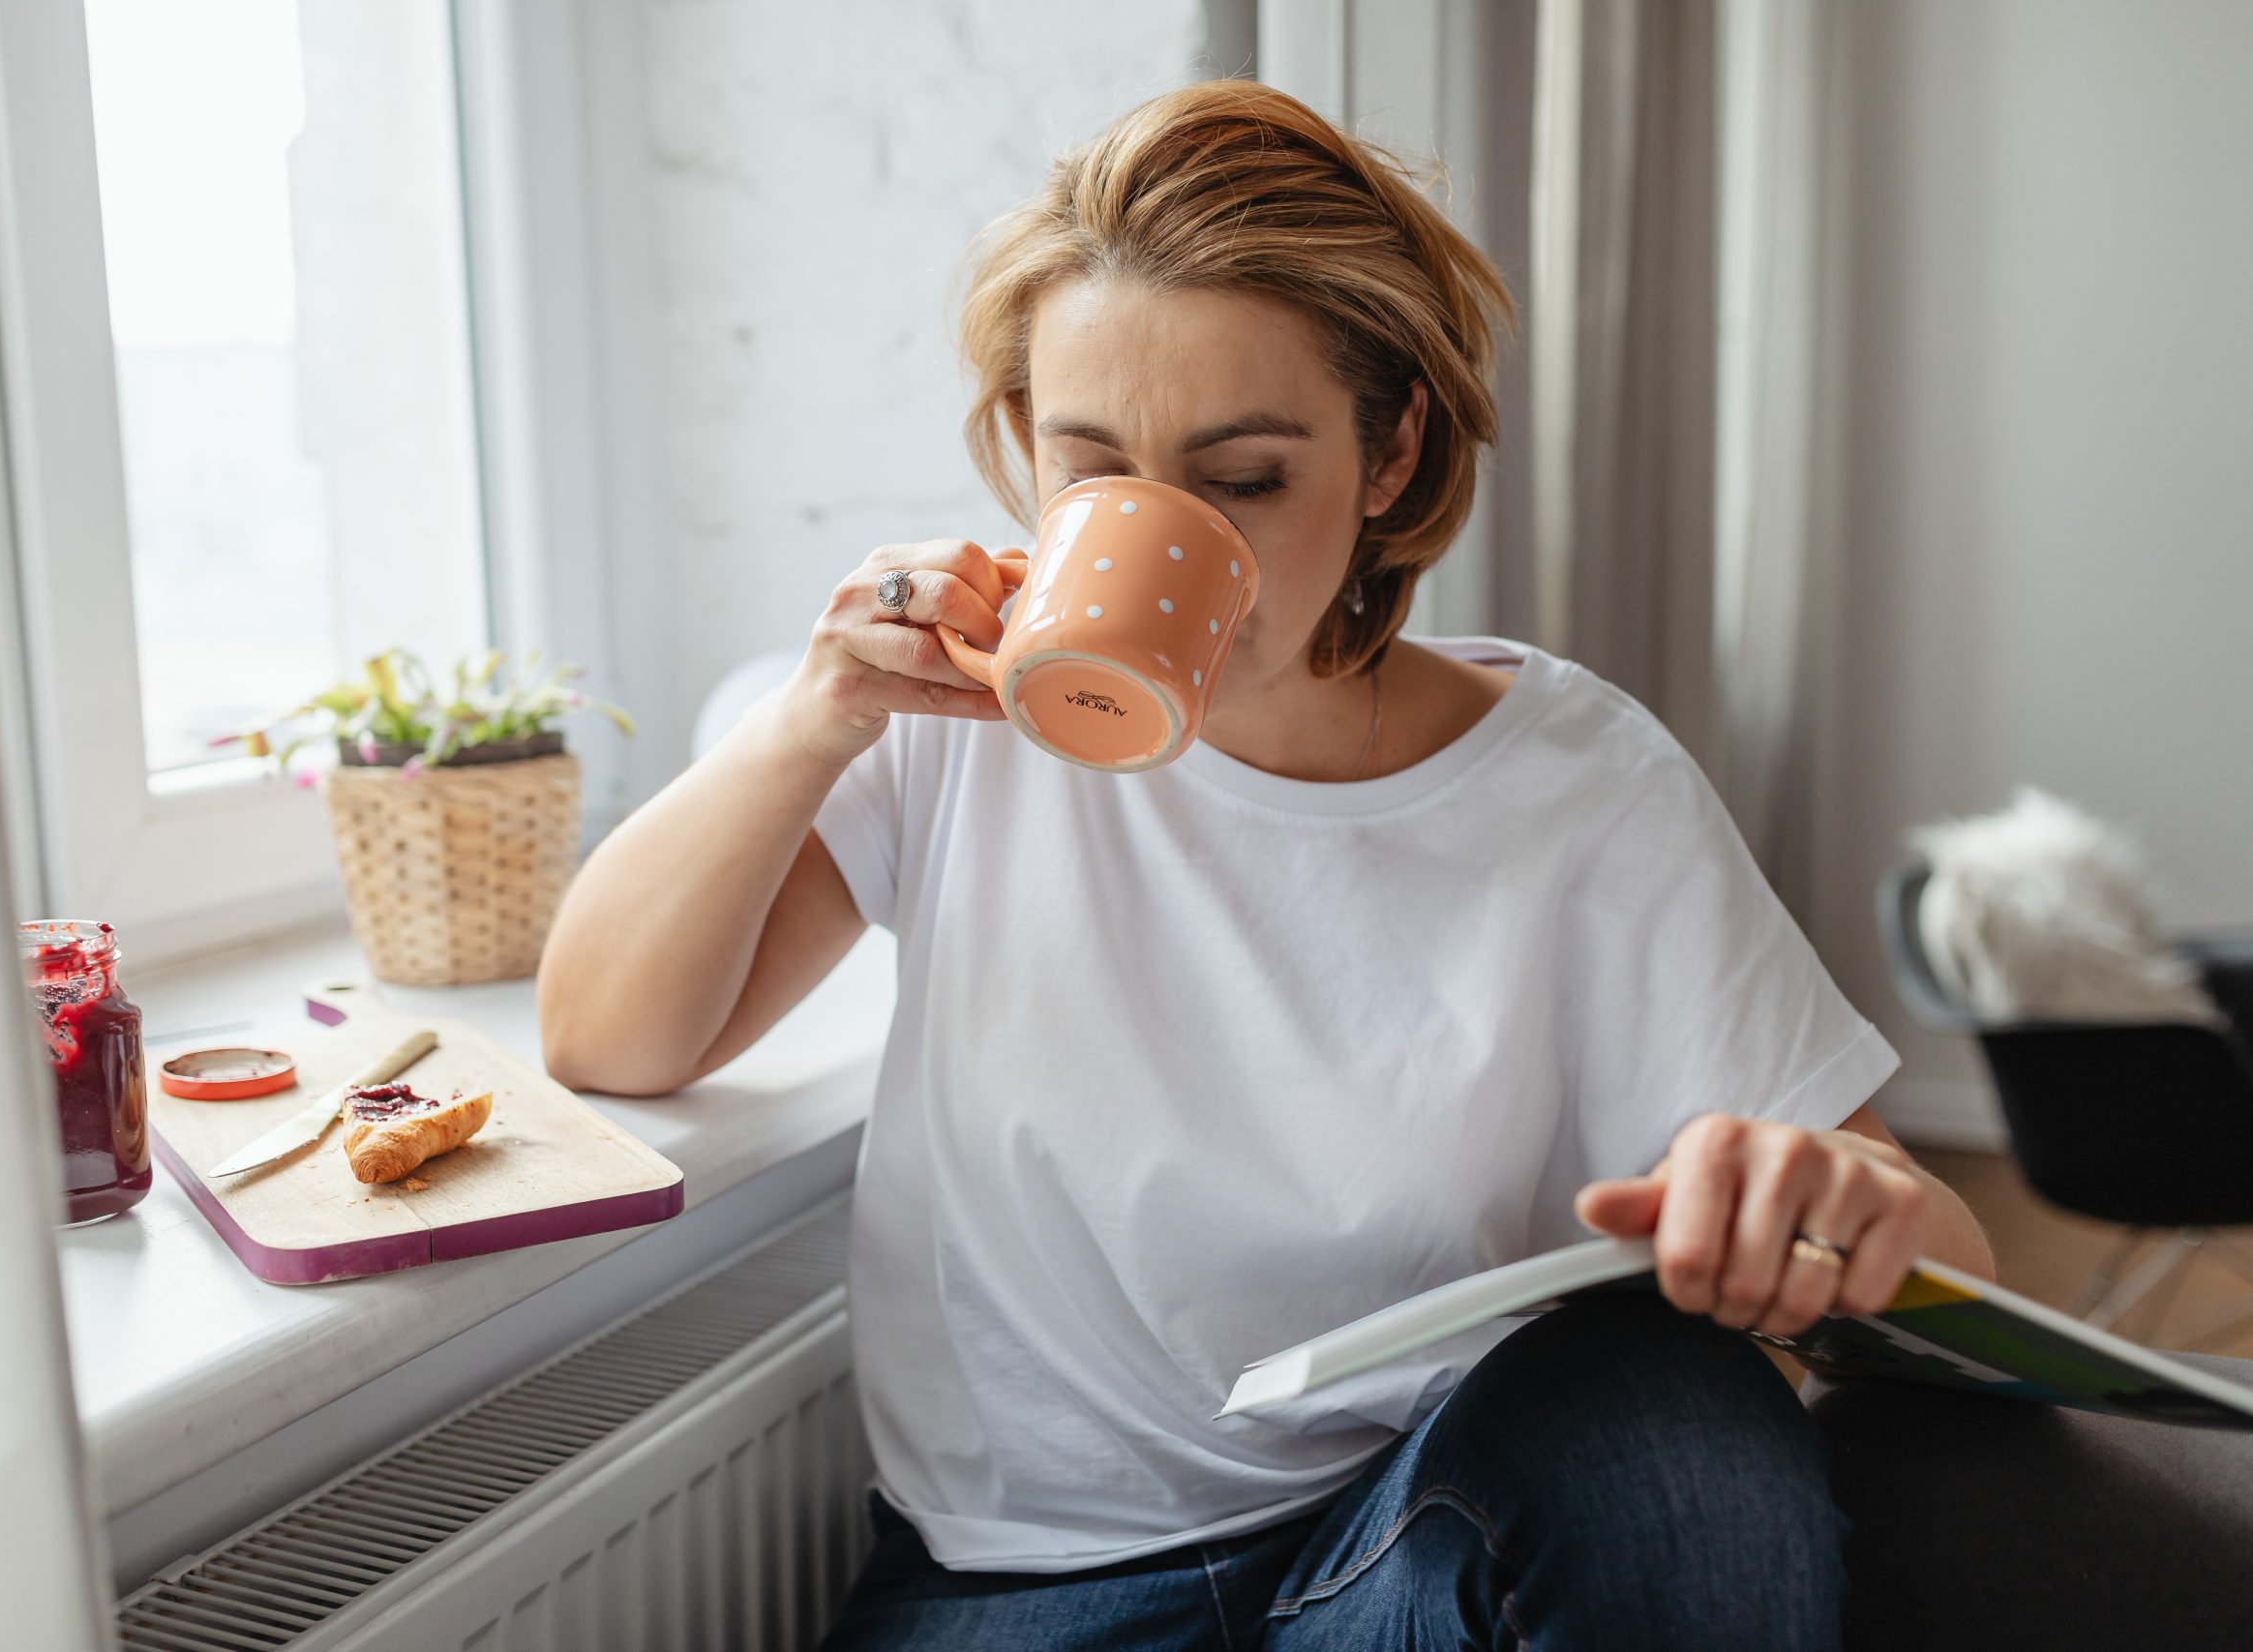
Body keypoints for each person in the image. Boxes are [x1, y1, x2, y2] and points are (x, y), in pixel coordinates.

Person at [538, 78, 1994, 1651]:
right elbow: (612, 1035)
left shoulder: (1578, 785)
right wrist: (811, 719)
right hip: (1022, 1594)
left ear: (1390, 453)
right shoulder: (952, 714)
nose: (1165, 533)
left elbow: (1953, 1272)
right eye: (1093, 468)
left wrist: (1843, 1209)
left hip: (1413, 1557)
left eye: (1242, 481)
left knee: (1660, 1398)